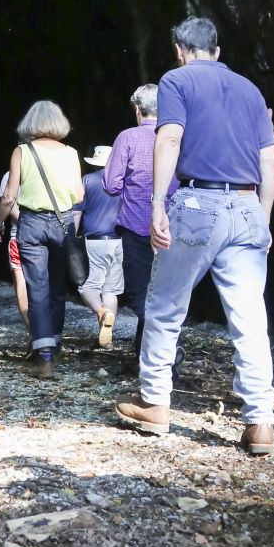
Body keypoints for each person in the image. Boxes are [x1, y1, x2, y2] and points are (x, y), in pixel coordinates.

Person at [116, 18, 274, 452]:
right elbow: (270, 162)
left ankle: (154, 402)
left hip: (196, 203)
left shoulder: (176, 80)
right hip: (247, 206)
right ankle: (261, 422)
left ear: (179, 49)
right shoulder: (250, 90)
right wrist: (261, 218)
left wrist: (155, 204)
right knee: (249, 317)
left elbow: (168, 139)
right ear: (218, 51)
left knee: (165, 306)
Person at [0, 101, 84, 370]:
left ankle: (43, 353)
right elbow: (79, 195)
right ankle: (55, 344)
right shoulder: (71, 153)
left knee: (38, 287)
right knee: (58, 287)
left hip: (31, 223)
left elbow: (9, 196)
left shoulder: (22, 151)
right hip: (62, 222)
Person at [103, 84, 177, 357]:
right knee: (169, 289)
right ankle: (148, 349)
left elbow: (111, 184)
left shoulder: (128, 137)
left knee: (141, 291)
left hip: (136, 226)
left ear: (137, 109)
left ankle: (158, 351)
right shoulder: (177, 135)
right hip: (173, 226)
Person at [78, 146, 122, 347]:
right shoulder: (123, 182)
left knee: (88, 286)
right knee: (110, 289)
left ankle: (101, 312)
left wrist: (72, 236)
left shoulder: (87, 180)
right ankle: (107, 340)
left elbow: (77, 213)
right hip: (119, 240)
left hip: (95, 241)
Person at [0, 171, 30, 337]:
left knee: (22, 286)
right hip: (49, 235)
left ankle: (34, 336)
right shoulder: (49, 165)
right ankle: (51, 337)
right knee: (46, 284)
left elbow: (8, 201)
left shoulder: (11, 175)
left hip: (20, 236)